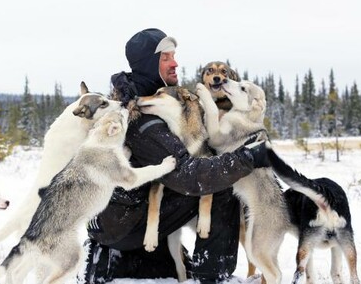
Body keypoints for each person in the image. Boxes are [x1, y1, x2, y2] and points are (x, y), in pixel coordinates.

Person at [83, 28, 269, 284]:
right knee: (221, 180)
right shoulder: (142, 115)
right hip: (122, 223)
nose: (175, 63)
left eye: (174, 56)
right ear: (148, 63)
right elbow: (186, 174)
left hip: (120, 215)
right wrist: (246, 158)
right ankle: (212, 276)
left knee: (217, 170)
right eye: (165, 58)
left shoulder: (136, 97)